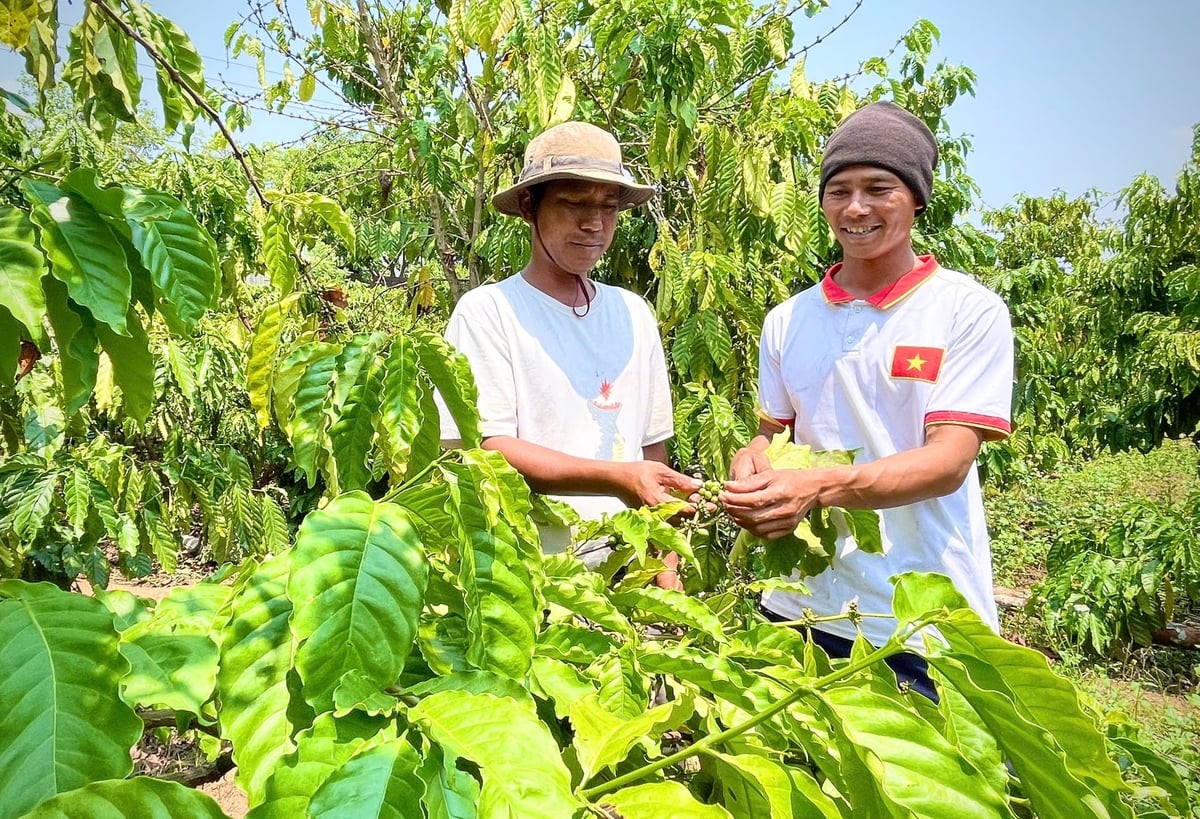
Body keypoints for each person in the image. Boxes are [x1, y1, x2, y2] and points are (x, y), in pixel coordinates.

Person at [720, 101, 1014, 699]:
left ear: (916, 199)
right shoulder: (788, 319)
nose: (855, 208)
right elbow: (772, 434)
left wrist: (815, 486)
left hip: (917, 620)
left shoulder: (965, 310)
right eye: (839, 190)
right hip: (800, 607)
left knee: (922, 789)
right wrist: (753, 461)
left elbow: (948, 462)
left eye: (878, 188)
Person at [440, 121, 698, 586]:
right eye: (574, 204)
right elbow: (488, 448)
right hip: (531, 576)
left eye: (607, 206)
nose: (594, 224)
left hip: (630, 574)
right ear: (528, 206)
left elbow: (653, 451)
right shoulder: (489, 312)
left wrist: (666, 568)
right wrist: (618, 479)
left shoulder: (633, 312)